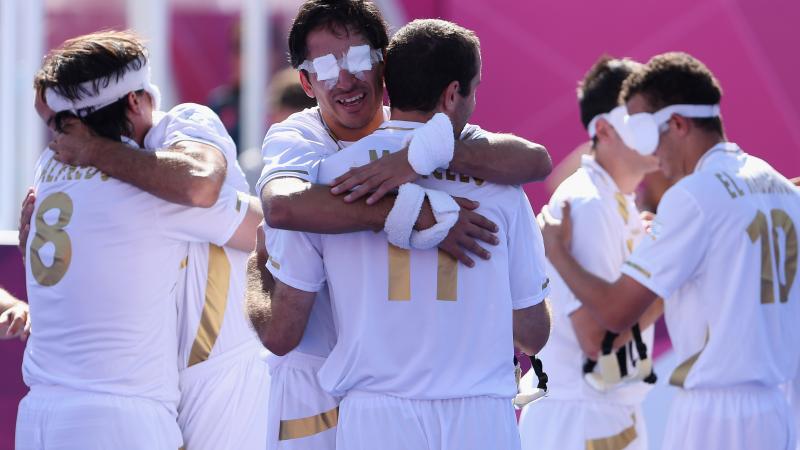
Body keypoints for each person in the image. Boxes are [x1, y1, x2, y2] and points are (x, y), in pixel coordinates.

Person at [245, 1, 553, 449]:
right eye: (328, 66)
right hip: (472, 413)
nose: (346, 79)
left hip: (373, 412)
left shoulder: (329, 180)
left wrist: (257, 267)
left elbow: (279, 331)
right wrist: (418, 213)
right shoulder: (497, 182)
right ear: (306, 82)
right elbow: (532, 333)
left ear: (383, 65)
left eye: (356, 60)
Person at [540, 51, 800, 450]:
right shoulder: (780, 187)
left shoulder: (691, 197)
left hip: (715, 413)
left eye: (648, 134)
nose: (652, 154)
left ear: (678, 124)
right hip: (777, 408)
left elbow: (612, 314)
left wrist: (556, 251)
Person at [16, 32, 262, 450]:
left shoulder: (48, 167)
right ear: (134, 102)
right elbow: (262, 228)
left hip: (40, 414)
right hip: (117, 421)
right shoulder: (154, 190)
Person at [519, 56, 663, 450]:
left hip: (608, 416)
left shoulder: (616, 201)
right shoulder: (589, 205)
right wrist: (666, 276)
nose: (661, 130)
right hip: (581, 425)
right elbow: (597, 341)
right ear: (604, 129)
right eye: (645, 119)